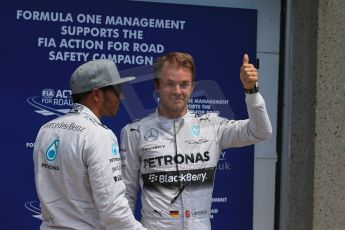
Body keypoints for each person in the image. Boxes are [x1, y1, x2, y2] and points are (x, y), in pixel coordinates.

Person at [120, 52, 272, 230]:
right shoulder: (134, 132)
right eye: (170, 83)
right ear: (157, 85)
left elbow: (260, 131)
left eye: (184, 84)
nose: (177, 91)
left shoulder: (212, 126)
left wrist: (251, 91)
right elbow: (125, 196)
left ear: (192, 87)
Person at [33, 59, 147, 230]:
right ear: (96, 94)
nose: (121, 97)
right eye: (117, 90)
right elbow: (113, 210)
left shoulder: (46, 129)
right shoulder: (100, 135)